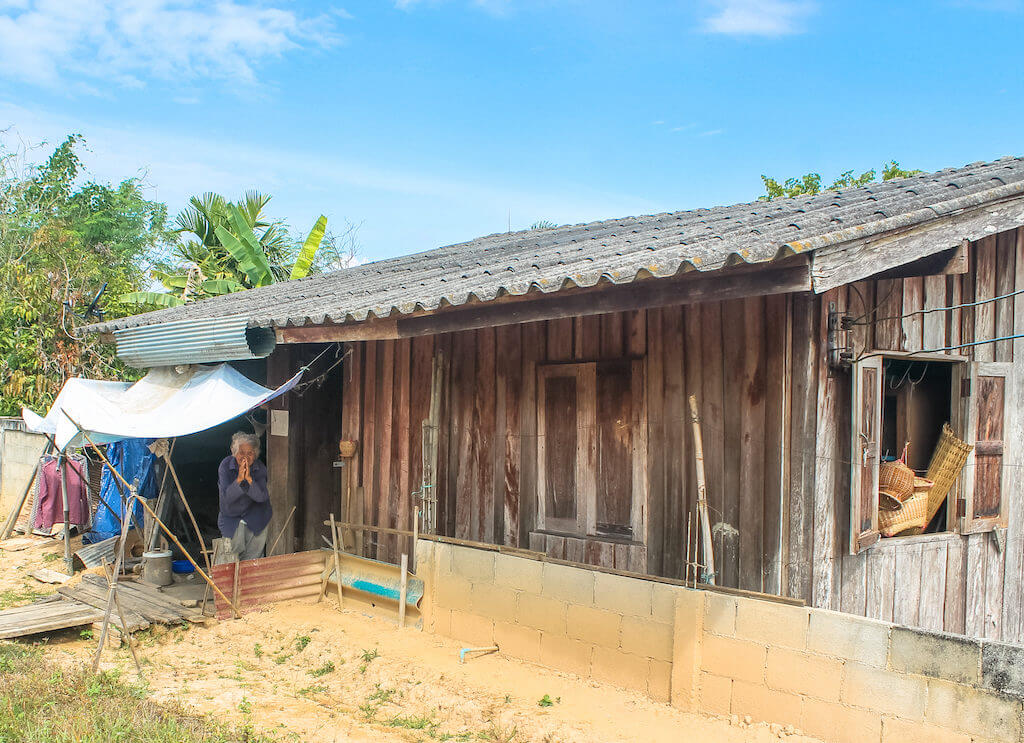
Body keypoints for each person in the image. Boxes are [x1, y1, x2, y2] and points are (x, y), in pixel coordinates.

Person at [216, 431, 271, 564]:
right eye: (241, 452)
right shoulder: (226, 466)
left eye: (250, 453)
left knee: (252, 561)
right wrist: (240, 480)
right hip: (232, 519)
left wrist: (249, 480)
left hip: (256, 519)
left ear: (255, 454)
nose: (245, 457)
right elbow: (227, 498)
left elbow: (261, 497)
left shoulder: (260, 468)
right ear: (234, 452)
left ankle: (247, 584)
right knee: (231, 559)